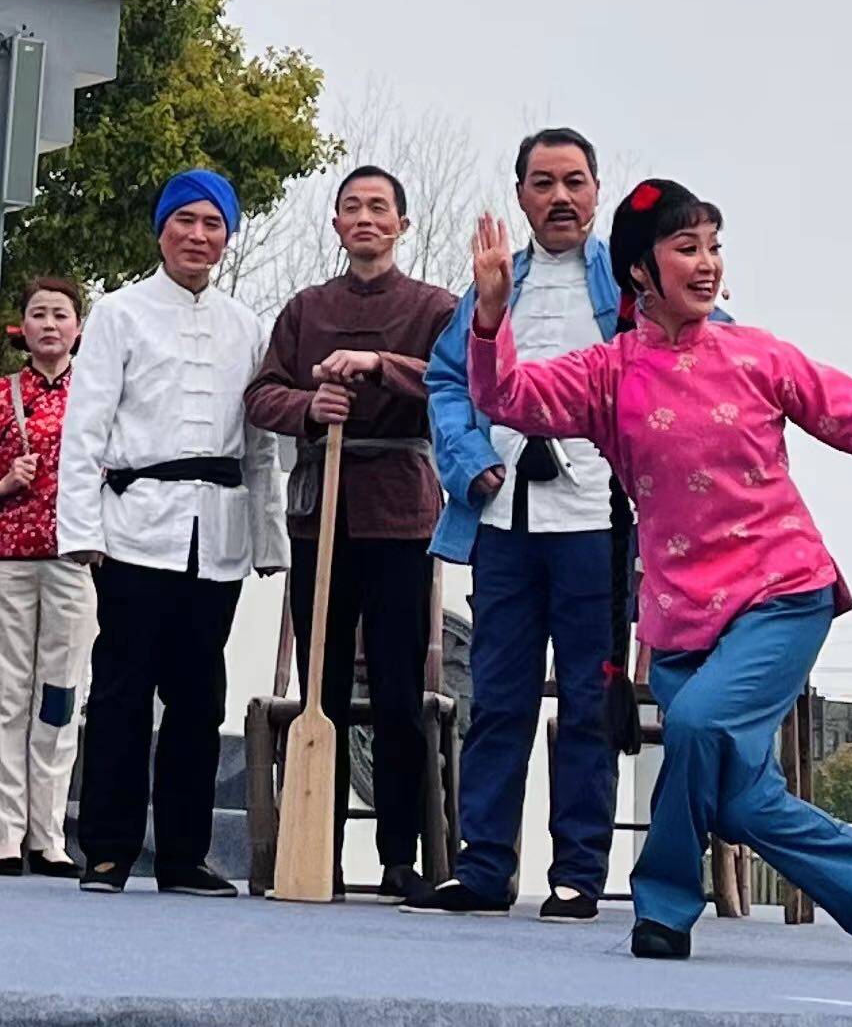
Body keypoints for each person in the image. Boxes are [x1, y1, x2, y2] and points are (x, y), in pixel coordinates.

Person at [464, 178, 852, 966]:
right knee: (736, 796)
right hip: (681, 620)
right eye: (686, 247)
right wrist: (490, 316)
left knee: (695, 727)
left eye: (714, 247)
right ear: (640, 272)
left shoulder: (758, 355)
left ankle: (662, 909)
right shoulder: (608, 373)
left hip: (781, 595)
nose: (707, 263)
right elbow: (507, 397)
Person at [409, 128, 627, 922]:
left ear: (596, 190)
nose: (560, 197)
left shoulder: (629, 287)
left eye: (573, 181)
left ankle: (578, 872)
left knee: (588, 701)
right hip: (505, 518)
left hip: (598, 520)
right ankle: (484, 866)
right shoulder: (492, 286)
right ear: (521, 196)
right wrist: (468, 461)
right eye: (543, 183)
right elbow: (446, 381)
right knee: (498, 698)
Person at [58, 169, 289, 897]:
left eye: (212, 223)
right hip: (133, 526)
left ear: (227, 236)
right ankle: (107, 850)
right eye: (184, 220)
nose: (197, 235)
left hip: (216, 534)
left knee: (199, 695)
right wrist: (80, 528)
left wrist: (269, 538)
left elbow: (259, 446)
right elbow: (84, 427)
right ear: (161, 230)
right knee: (121, 689)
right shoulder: (120, 313)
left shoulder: (247, 325)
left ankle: (185, 854)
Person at [244, 165, 458, 902]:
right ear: (335, 224)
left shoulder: (434, 307)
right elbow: (262, 394)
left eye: (378, 207)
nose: (365, 218)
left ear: (401, 223)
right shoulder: (306, 308)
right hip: (321, 520)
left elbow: (460, 383)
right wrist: (310, 407)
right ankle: (317, 851)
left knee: (398, 691)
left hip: (399, 515)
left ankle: (400, 855)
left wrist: (379, 365)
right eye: (351, 207)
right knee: (323, 689)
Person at [0, 278, 95, 878]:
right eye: (39, 314)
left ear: (78, 328)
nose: (51, 324)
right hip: (9, 559)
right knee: (7, 695)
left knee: (59, 697)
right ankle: (6, 832)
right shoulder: (2, 395)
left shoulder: (98, 395)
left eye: (62, 314)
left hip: (73, 560)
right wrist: (7, 481)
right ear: (23, 327)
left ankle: (49, 834)